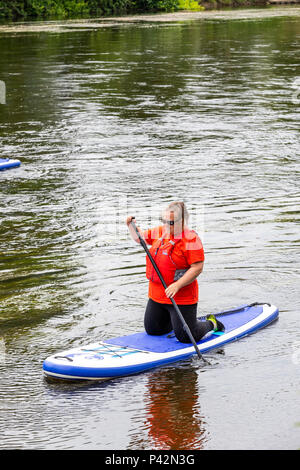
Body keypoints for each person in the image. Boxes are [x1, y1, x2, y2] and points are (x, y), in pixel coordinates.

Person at [126, 201, 224, 344]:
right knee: (153, 330)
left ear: (182, 221)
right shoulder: (161, 231)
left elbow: (197, 267)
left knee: (186, 337)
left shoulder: (191, 239)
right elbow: (139, 237)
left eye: (170, 223)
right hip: (158, 295)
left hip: (181, 296)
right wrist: (130, 225)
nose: (166, 226)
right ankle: (176, 322)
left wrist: (177, 285)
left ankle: (212, 323)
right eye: (164, 221)